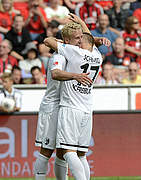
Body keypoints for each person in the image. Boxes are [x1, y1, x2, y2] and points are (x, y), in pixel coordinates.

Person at [44, 13, 105, 180]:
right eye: (77, 38)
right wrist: (82, 23)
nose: (79, 41)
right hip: (87, 109)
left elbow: (47, 41)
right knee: (82, 155)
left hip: (71, 108)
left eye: (80, 39)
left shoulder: (73, 52)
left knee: (68, 152)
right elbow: (89, 39)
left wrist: (63, 42)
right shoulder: (97, 55)